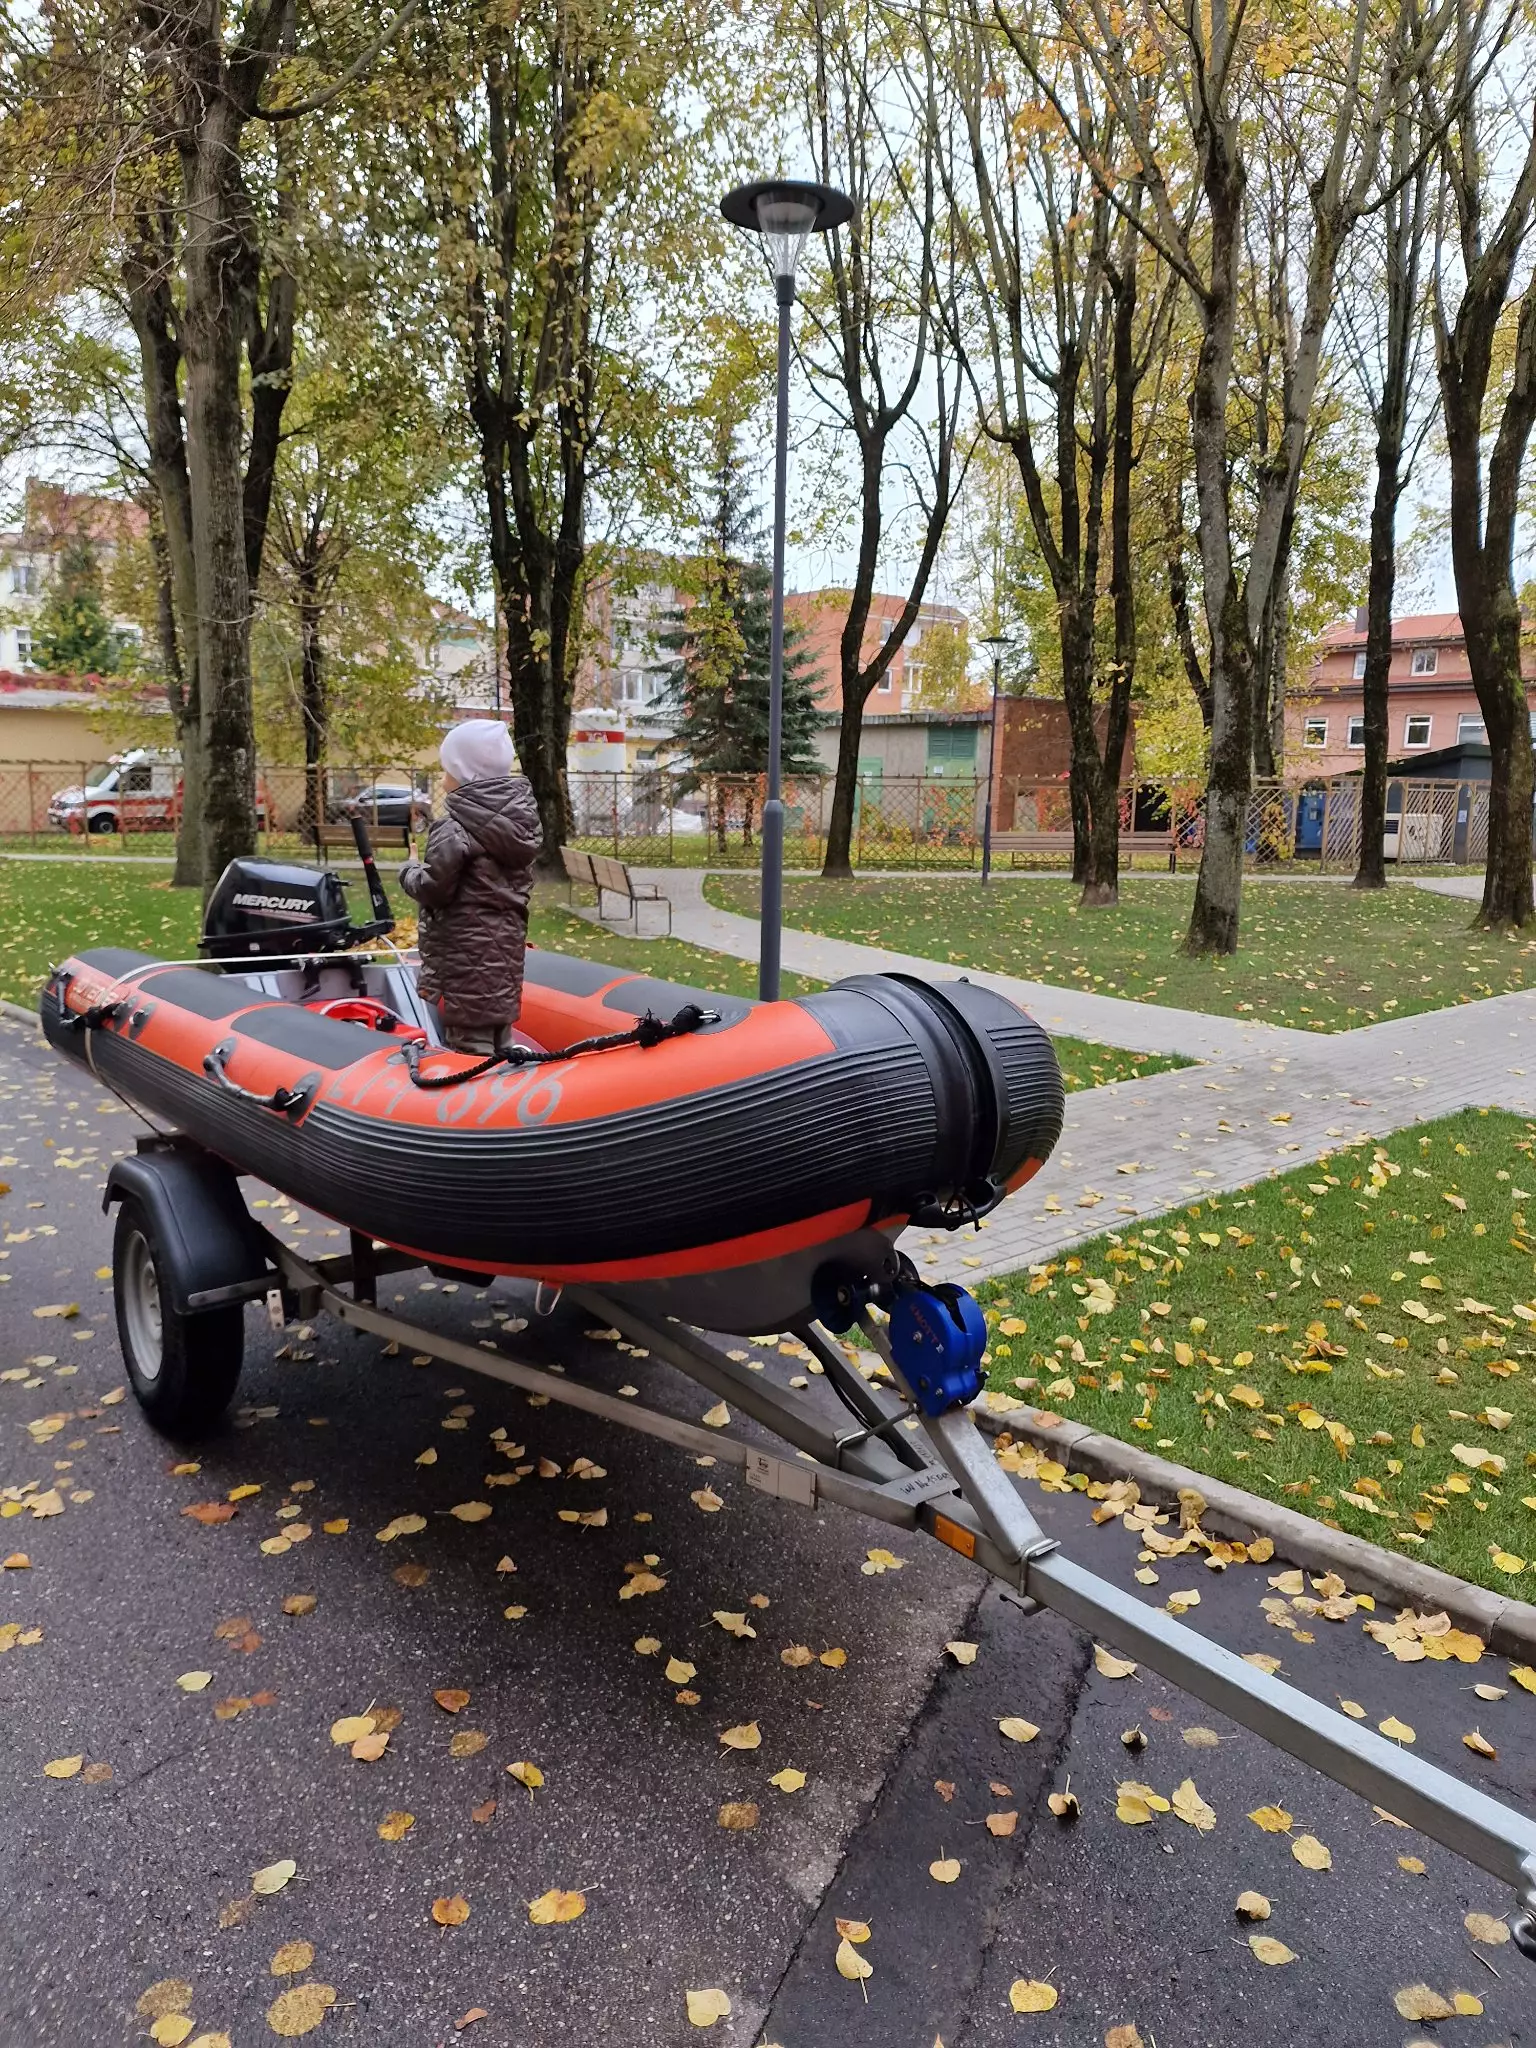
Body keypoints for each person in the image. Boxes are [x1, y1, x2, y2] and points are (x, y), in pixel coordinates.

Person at [398, 719, 541, 1055]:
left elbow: (435, 888)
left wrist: (408, 871)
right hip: (506, 948)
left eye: (447, 769)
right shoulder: (519, 825)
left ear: (464, 774)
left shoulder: (454, 828)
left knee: (470, 1044)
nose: (443, 778)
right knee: (499, 1033)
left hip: (466, 953)